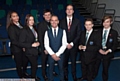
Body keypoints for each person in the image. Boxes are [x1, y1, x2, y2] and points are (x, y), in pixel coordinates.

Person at [59, 4, 81, 81]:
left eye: (70, 9)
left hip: (73, 46)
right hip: (64, 46)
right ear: (65, 11)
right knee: (64, 62)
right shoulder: (61, 21)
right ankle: (65, 75)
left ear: (73, 11)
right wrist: (65, 44)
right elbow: (60, 34)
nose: (69, 10)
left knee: (73, 62)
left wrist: (72, 43)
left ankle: (74, 75)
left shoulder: (77, 21)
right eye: (67, 9)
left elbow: (78, 34)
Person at [93, 15, 118, 81]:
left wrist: (108, 50)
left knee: (105, 68)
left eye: (107, 22)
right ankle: (93, 76)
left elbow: (115, 44)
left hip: (108, 53)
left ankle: (105, 79)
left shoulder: (114, 33)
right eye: (104, 22)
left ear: (111, 22)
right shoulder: (98, 32)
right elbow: (95, 42)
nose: (105, 23)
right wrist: (99, 49)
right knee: (95, 66)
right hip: (98, 52)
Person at [44, 15, 67, 81]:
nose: (54, 22)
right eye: (52, 20)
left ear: (58, 21)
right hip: (51, 55)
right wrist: (53, 54)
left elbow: (64, 44)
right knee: (50, 69)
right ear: (50, 22)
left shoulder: (63, 31)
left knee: (61, 69)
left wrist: (57, 54)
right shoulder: (47, 32)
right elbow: (46, 45)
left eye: (55, 20)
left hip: (60, 54)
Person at [37, 9, 58, 81]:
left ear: (51, 15)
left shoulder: (54, 23)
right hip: (45, 48)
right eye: (46, 15)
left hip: (53, 47)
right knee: (44, 62)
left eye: (49, 15)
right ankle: (44, 74)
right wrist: (44, 49)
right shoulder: (40, 25)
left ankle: (52, 71)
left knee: (52, 61)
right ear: (43, 16)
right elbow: (40, 38)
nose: (48, 16)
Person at [7, 11, 28, 78]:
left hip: (23, 48)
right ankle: (21, 76)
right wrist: (23, 46)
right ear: (10, 18)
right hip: (17, 49)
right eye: (14, 16)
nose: (16, 17)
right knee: (19, 64)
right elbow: (14, 41)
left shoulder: (20, 25)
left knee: (25, 62)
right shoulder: (11, 27)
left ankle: (24, 72)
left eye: (17, 15)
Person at [19, 14, 40, 80]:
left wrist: (38, 42)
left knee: (34, 65)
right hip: (29, 51)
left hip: (35, 51)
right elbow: (21, 43)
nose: (32, 21)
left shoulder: (34, 28)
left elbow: (35, 38)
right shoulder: (24, 30)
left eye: (33, 20)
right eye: (30, 20)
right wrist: (31, 45)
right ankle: (33, 78)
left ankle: (32, 76)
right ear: (27, 21)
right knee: (34, 65)